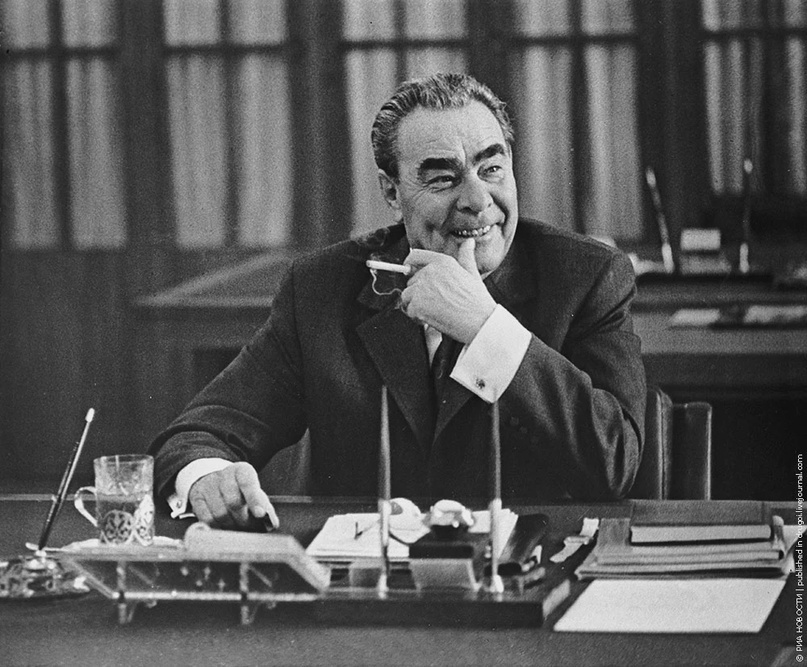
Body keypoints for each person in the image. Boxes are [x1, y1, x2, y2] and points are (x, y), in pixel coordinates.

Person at [149, 73, 646, 529]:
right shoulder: (322, 289)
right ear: (391, 192)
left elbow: (615, 462)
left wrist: (484, 326)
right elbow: (198, 435)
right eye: (443, 178)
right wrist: (207, 477)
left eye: (492, 169)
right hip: (368, 582)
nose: (477, 200)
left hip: (532, 573)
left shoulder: (586, 277)